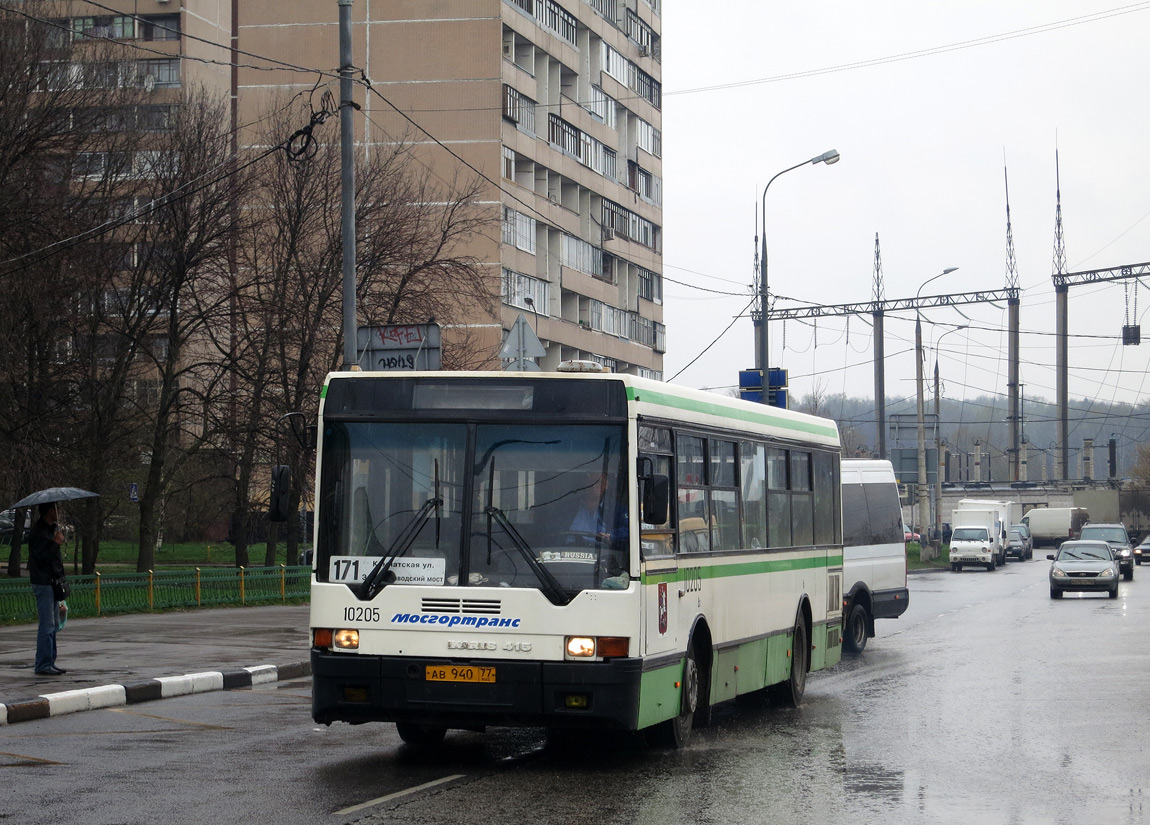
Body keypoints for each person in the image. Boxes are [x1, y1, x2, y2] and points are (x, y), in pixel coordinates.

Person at [28, 502, 67, 676]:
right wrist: (55, 544)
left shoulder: (51, 529)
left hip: (52, 581)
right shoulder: (38, 532)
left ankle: (50, 661)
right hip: (43, 582)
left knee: (54, 623)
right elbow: (41, 558)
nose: (59, 512)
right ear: (50, 512)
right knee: (47, 624)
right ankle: (43, 664)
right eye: (57, 509)